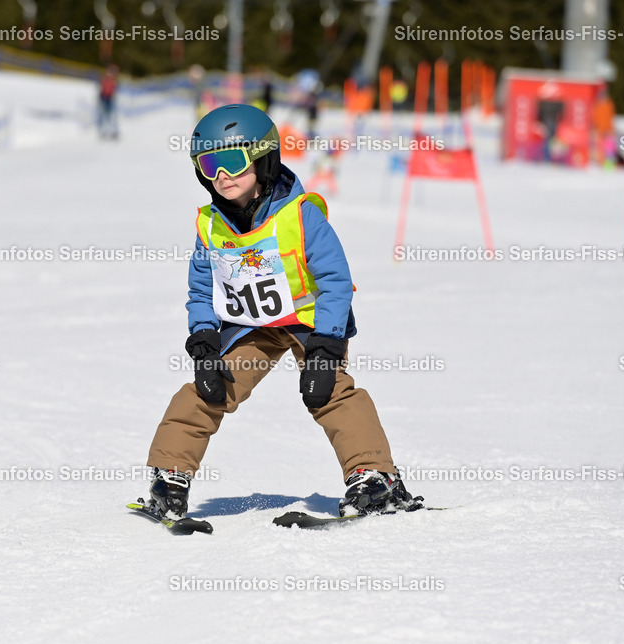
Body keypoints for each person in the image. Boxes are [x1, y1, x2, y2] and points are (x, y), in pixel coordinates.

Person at [141, 104, 421, 520]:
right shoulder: (212, 226)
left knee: (328, 392)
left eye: (233, 161)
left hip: (310, 321)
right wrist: (203, 340)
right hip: (253, 326)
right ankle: (169, 475)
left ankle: (374, 476)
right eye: (209, 164)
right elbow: (201, 288)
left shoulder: (301, 215)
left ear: (263, 158)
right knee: (209, 388)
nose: (222, 175)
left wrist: (326, 346)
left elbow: (336, 281)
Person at [98, 63, 119, 140]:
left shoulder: (114, 81)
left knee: (111, 115)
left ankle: (112, 131)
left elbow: (114, 90)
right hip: (104, 98)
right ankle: (105, 131)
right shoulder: (105, 79)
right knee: (105, 115)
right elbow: (102, 88)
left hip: (110, 98)